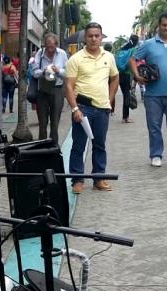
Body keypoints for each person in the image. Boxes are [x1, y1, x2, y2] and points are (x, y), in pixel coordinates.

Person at [64, 21, 119, 193]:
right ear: (85, 38)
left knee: (99, 145)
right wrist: (75, 109)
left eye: (97, 35)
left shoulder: (109, 57)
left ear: (101, 37)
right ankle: (77, 181)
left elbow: (115, 78)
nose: (94, 39)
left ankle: (98, 178)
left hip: (102, 109)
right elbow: (68, 86)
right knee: (78, 146)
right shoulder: (76, 59)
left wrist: (110, 100)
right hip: (83, 108)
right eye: (90, 36)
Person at [130, 11, 167, 169]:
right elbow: (133, 60)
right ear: (158, 25)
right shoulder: (148, 44)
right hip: (153, 94)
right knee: (154, 127)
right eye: (164, 25)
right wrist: (137, 76)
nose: (166, 28)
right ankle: (156, 154)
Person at [32, 33, 68, 145]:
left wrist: (58, 71)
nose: (49, 50)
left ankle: (53, 144)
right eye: (47, 47)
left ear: (56, 45)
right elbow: (34, 72)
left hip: (57, 89)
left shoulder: (62, 54)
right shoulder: (40, 53)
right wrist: (43, 71)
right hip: (42, 89)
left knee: (55, 120)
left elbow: (67, 72)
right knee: (42, 121)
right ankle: (42, 144)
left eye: (52, 47)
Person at [118, 34, 140, 123]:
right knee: (127, 96)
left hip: (120, 74)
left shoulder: (123, 48)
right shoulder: (133, 50)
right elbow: (134, 62)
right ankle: (126, 117)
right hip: (127, 75)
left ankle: (125, 116)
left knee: (125, 95)